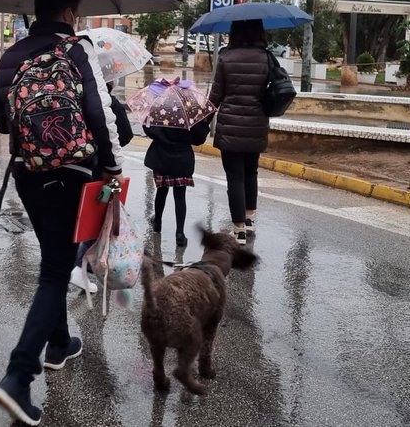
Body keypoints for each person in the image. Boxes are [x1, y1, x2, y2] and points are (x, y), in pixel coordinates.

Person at [0, 0, 125, 426]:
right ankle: (18, 375)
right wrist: (111, 169)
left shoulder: (13, 54)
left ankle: (59, 343)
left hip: (29, 172)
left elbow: (0, 121)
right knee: (54, 269)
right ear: (69, 13)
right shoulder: (76, 49)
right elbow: (98, 115)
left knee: (55, 254)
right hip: (74, 171)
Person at [208, 18, 271, 246]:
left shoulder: (226, 57)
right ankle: (250, 218)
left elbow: (215, 96)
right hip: (256, 124)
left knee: (234, 177)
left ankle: (239, 230)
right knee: (251, 172)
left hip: (230, 126)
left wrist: (202, 121)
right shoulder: (266, 58)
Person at [70, 82, 133, 295]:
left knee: (76, 218)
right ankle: (80, 267)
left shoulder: (74, 93)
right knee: (97, 218)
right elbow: (125, 134)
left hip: (73, 166)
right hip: (102, 169)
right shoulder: (108, 102)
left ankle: (75, 264)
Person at [143, 108, 211, 247]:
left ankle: (157, 223)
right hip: (182, 159)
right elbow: (199, 138)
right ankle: (180, 233)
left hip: (162, 158)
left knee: (161, 191)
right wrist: (203, 123)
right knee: (180, 196)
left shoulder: (161, 109)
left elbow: (149, 130)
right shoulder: (190, 113)